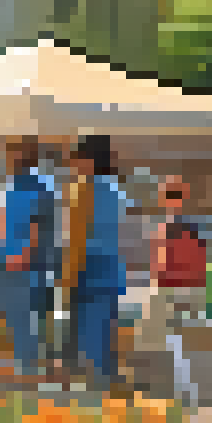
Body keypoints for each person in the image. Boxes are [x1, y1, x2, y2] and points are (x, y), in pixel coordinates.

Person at [63, 134, 129, 390]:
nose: (74, 165)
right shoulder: (117, 191)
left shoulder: (83, 191)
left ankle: (94, 383)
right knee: (105, 329)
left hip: (88, 268)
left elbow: (77, 237)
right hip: (112, 268)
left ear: (89, 161)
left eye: (77, 159)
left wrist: (68, 275)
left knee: (88, 328)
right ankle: (106, 378)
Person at [0, 138, 60, 382]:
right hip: (16, 263)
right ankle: (30, 370)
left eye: (11, 153)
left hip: (27, 266)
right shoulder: (14, 187)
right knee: (21, 319)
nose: (7, 159)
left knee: (28, 320)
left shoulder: (38, 187)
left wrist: (22, 254)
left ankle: (33, 374)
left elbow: (37, 226)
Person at [141, 176, 207, 407]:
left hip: (176, 290)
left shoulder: (175, 227)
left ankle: (181, 396)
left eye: (174, 194)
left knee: (176, 345)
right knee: (171, 345)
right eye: (169, 194)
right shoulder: (187, 226)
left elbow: (164, 264)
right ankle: (173, 394)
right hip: (179, 290)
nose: (171, 200)